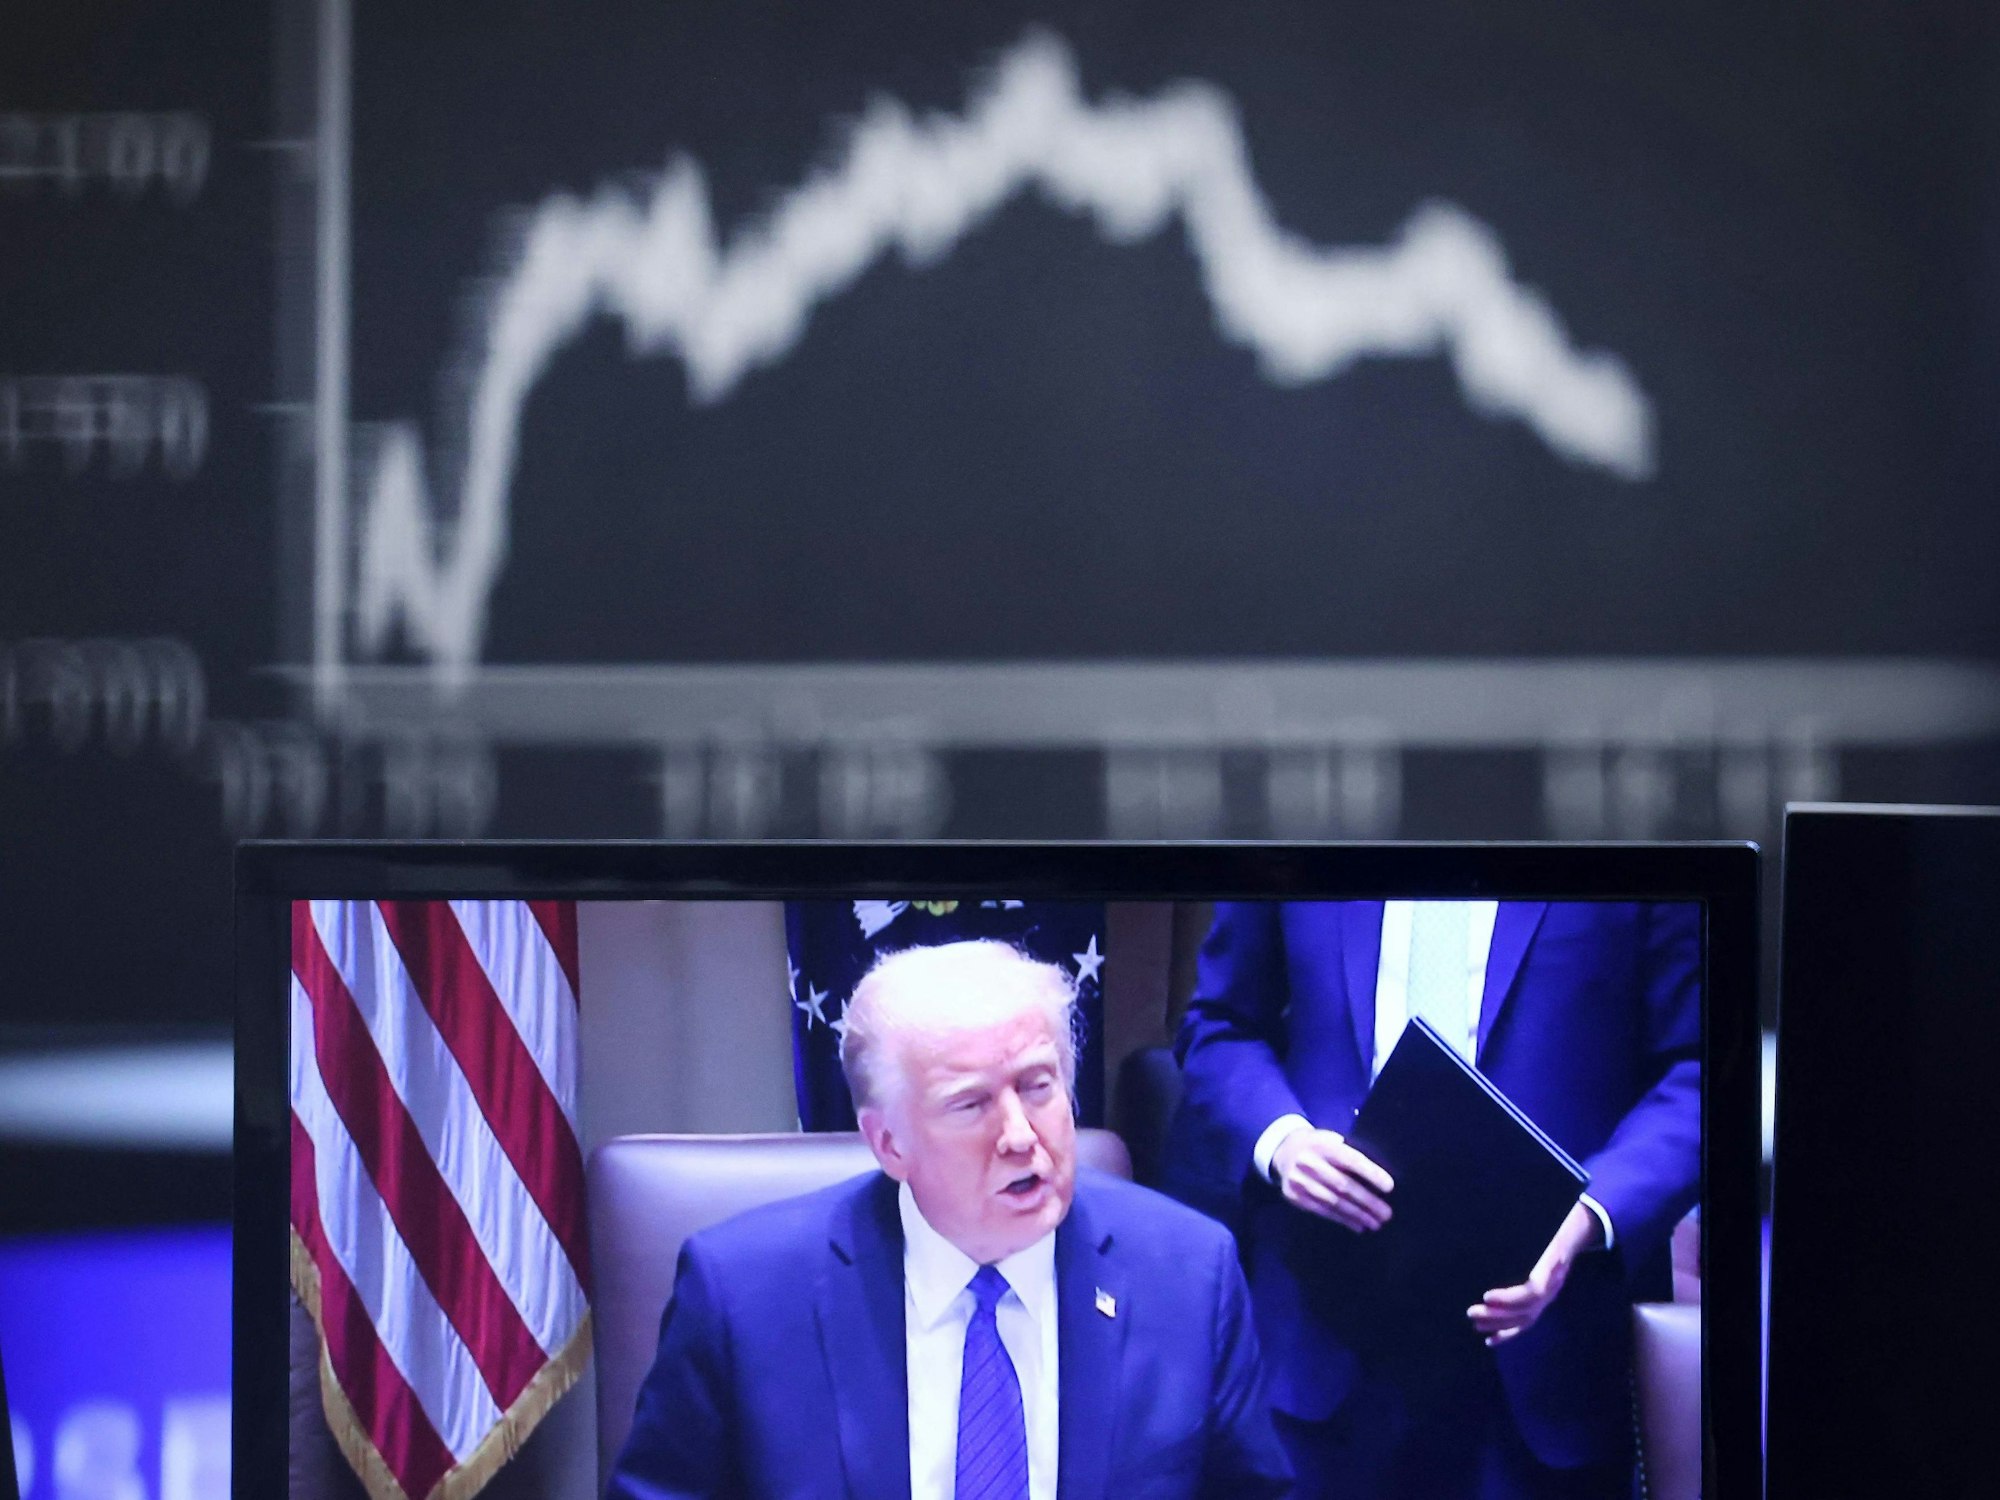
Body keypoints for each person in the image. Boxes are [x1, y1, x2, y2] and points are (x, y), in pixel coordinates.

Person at [608, 939, 1293, 1500]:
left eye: (1037, 1086)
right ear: (888, 1144)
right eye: (970, 1105)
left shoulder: (1189, 1274)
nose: (1021, 1134)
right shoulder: (746, 1296)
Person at [1171, 901, 1700, 1500]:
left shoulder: (1628, 831)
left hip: (1544, 1338)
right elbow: (1219, 1025)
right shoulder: (1307, 816)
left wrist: (1590, 1213)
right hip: (1325, 1329)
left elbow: (1696, 1070)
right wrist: (1283, 1141)